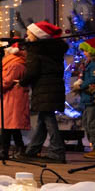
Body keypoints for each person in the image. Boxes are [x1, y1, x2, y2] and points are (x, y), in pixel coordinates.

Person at [18, 21, 68, 161]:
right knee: (43, 119)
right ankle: (32, 150)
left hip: (43, 88)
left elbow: (32, 71)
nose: (27, 36)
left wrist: (22, 82)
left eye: (29, 34)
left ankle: (57, 150)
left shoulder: (35, 50)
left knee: (49, 120)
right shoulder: (54, 50)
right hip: (54, 87)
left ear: (36, 35)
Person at [0, 41, 30, 156]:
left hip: (14, 97)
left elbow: (7, 81)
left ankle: (5, 149)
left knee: (8, 125)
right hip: (11, 96)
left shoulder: (15, 65)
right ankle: (16, 148)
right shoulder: (15, 63)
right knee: (11, 125)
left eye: (5, 51)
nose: (4, 53)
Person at [71, 37, 95, 159]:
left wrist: (81, 85)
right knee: (87, 123)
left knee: (93, 123)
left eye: (86, 51)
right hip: (87, 99)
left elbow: (94, 79)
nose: (84, 53)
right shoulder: (88, 63)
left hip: (92, 98)